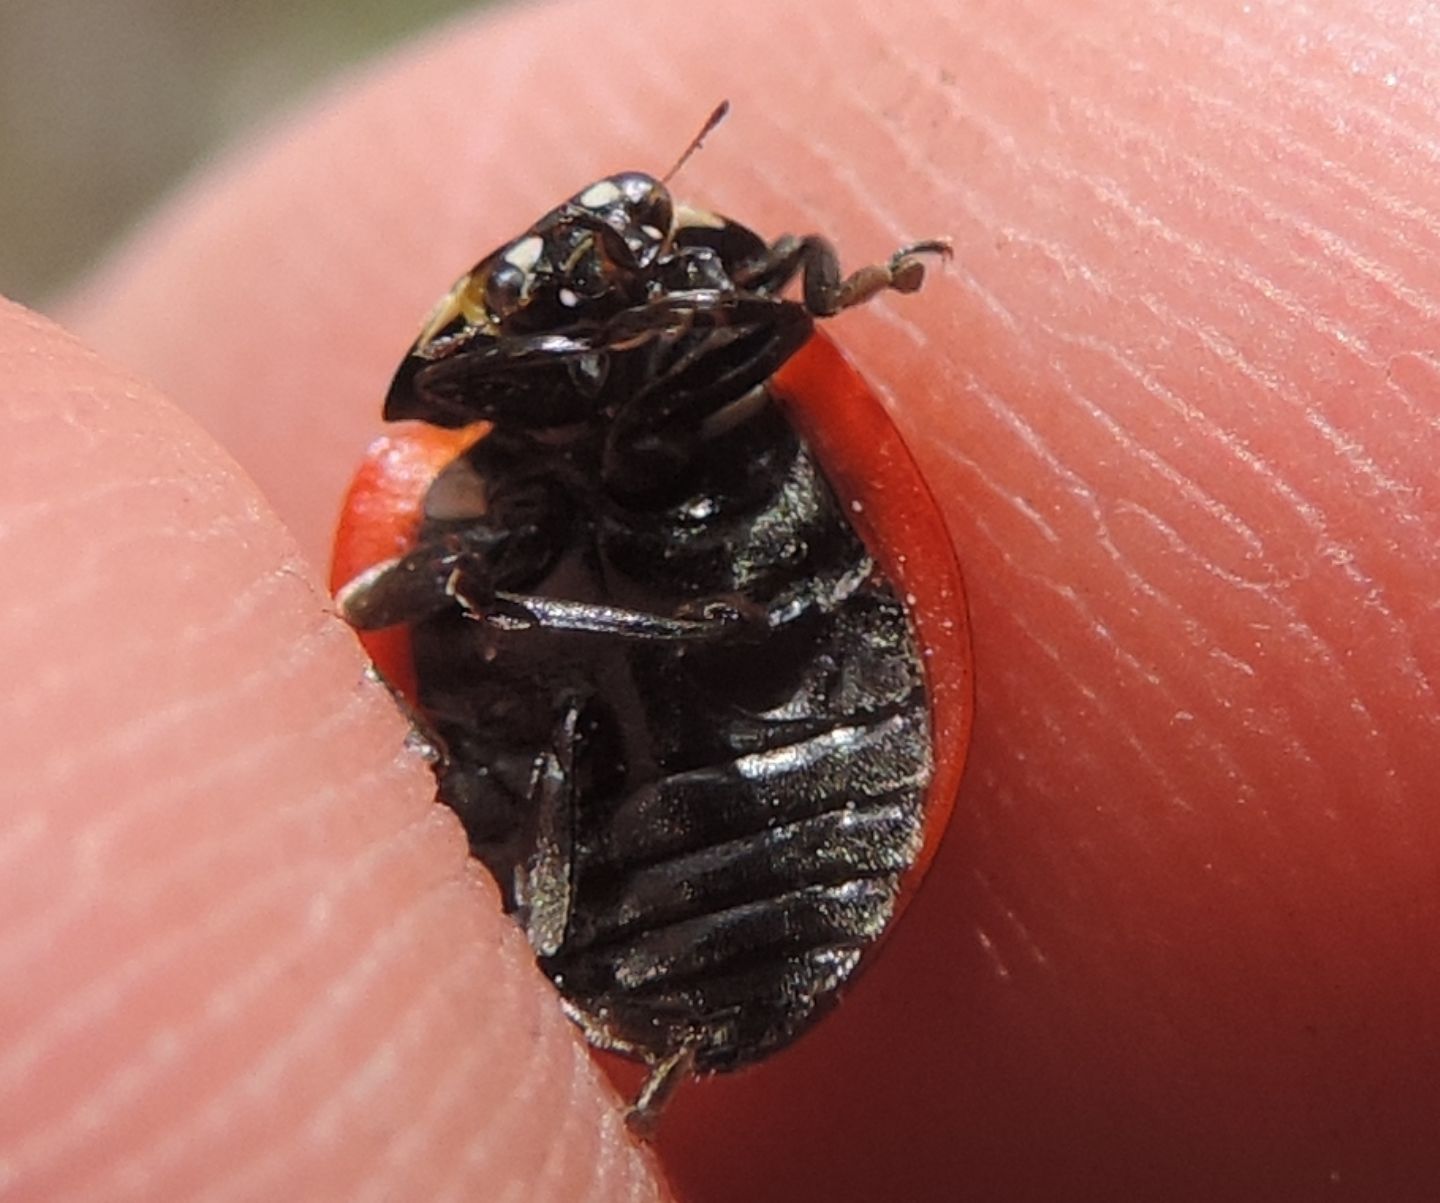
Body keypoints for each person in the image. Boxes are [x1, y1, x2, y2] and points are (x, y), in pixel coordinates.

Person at [5, 0, 1439, 1199]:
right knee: (528, 704)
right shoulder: (468, 439)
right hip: (619, 799)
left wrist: (836, 292)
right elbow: (412, 597)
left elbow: (807, 353)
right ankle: (636, 984)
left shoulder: (739, 338)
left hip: (803, 774)